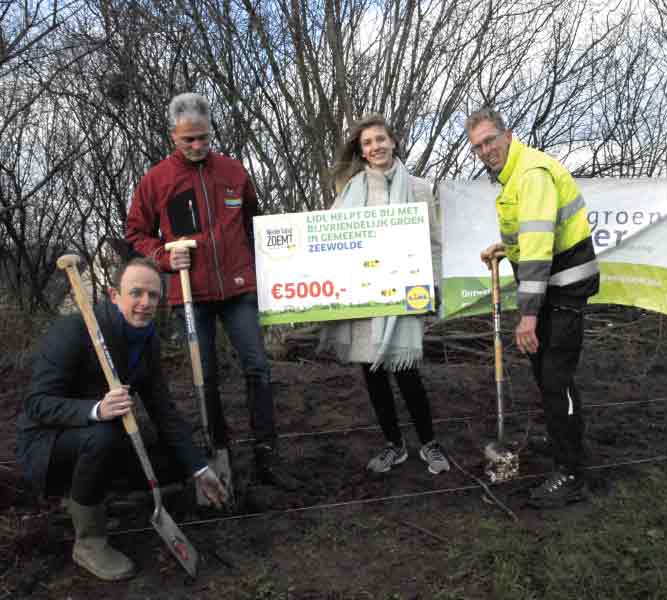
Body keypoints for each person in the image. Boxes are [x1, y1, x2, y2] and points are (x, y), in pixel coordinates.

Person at [16, 258, 228, 581]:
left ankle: (97, 493)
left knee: (170, 459)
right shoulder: (74, 330)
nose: (145, 303)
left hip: (108, 436)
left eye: (153, 296)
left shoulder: (147, 342)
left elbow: (164, 411)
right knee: (105, 435)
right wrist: (95, 409)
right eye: (136, 293)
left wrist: (199, 469)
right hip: (50, 444)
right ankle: (88, 539)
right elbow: (36, 404)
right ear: (115, 295)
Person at [125, 92, 292, 489]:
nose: (198, 146)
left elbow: (254, 221)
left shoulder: (234, 171)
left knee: (257, 367)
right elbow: (136, 233)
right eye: (189, 140)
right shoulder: (156, 181)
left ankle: (267, 454)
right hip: (190, 294)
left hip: (239, 289)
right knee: (207, 376)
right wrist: (164, 258)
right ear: (173, 137)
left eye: (204, 137)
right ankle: (219, 453)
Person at [465, 108, 599, 508]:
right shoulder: (512, 177)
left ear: (508, 135)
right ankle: (563, 438)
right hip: (550, 288)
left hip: (564, 288)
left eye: (490, 140)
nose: (486, 150)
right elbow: (534, 235)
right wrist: (506, 249)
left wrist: (527, 317)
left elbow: (540, 249)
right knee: (547, 374)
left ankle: (572, 473)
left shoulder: (531, 174)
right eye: (478, 147)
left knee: (556, 378)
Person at [319, 113, 450, 475]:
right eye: (367, 143)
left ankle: (429, 444)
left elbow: (434, 244)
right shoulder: (349, 190)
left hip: (405, 294)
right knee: (373, 377)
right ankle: (394, 445)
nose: (375, 147)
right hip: (363, 299)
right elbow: (326, 237)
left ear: (393, 141)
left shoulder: (420, 189)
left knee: (407, 374)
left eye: (380, 139)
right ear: (360, 152)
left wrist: (434, 286)